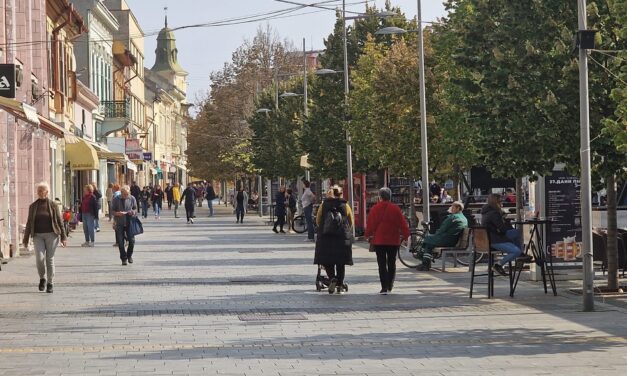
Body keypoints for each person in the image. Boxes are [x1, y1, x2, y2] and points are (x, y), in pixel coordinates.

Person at [22, 182, 67, 293]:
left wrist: (63, 237)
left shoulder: (53, 205)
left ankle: (50, 283)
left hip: (52, 235)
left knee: (49, 259)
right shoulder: (33, 206)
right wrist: (25, 239)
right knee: (40, 258)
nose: (40, 192)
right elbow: (29, 223)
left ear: (47, 192)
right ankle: (42, 278)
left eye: (42, 190)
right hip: (37, 235)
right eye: (38, 190)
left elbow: (59, 221)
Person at [365, 187, 410, 294]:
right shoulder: (395, 209)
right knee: (391, 262)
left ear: (380, 197)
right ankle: (390, 285)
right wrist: (406, 236)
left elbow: (371, 224)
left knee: (381, 264)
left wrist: (367, 235)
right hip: (393, 240)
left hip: (379, 240)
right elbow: (402, 224)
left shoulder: (375, 209)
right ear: (390, 196)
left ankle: (384, 287)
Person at [314, 185, 354, 294]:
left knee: (328, 261)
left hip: (326, 238)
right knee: (341, 263)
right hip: (341, 239)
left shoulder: (323, 205)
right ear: (341, 194)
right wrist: (345, 230)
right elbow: (350, 221)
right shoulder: (345, 205)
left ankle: (332, 278)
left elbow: (318, 220)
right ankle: (340, 285)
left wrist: (324, 229)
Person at [416, 201, 468, 271]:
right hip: (453, 240)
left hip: (447, 240)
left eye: (453, 207)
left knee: (427, 239)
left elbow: (442, 229)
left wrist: (436, 234)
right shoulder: (464, 218)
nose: (451, 209)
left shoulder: (453, 217)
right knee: (429, 243)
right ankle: (425, 262)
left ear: (458, 208)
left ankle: (422, 258)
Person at [481, 193, 523, 276]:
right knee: (516, 250)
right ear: (496, 202)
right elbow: (503, 229)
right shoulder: (494, 214)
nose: (501, 203)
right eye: (500, 201)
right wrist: (504, 221)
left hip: (491, 238)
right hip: (496, 240)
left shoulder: (486, 212)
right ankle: (498, 265)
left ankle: (520, 253)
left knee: (516, 233)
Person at [111, 185, 138, 265]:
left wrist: (132, 212)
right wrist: (116, 213)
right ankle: (124, 258)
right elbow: (112, 210)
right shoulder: (116, 199)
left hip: (129, 222)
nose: (126, 196)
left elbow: (135, 209)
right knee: (120, 242)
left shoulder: (132, 198)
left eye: (127, 194)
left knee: (132, 241)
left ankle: (129, 255)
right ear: (121, 193)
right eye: (124, 194)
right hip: (119, 222)